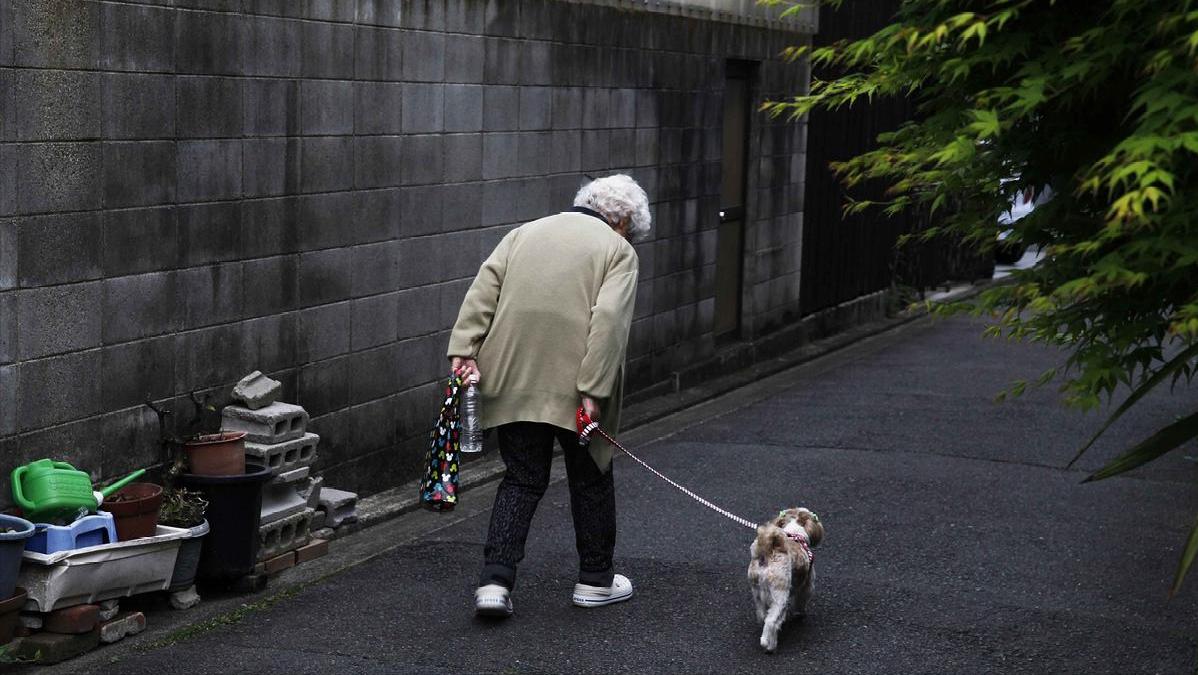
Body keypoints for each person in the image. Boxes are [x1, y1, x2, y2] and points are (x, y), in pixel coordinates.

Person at [447, 174, 650, 618]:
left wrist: (464, 349)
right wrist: (594, 391)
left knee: (522, 478)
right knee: (591, 476)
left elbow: (484, 289)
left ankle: (494, 584)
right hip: (575, 389)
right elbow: (609, 322)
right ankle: (595, 580)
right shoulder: (618, 251)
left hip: (512, 376)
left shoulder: (525, 232)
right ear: (623, 221)